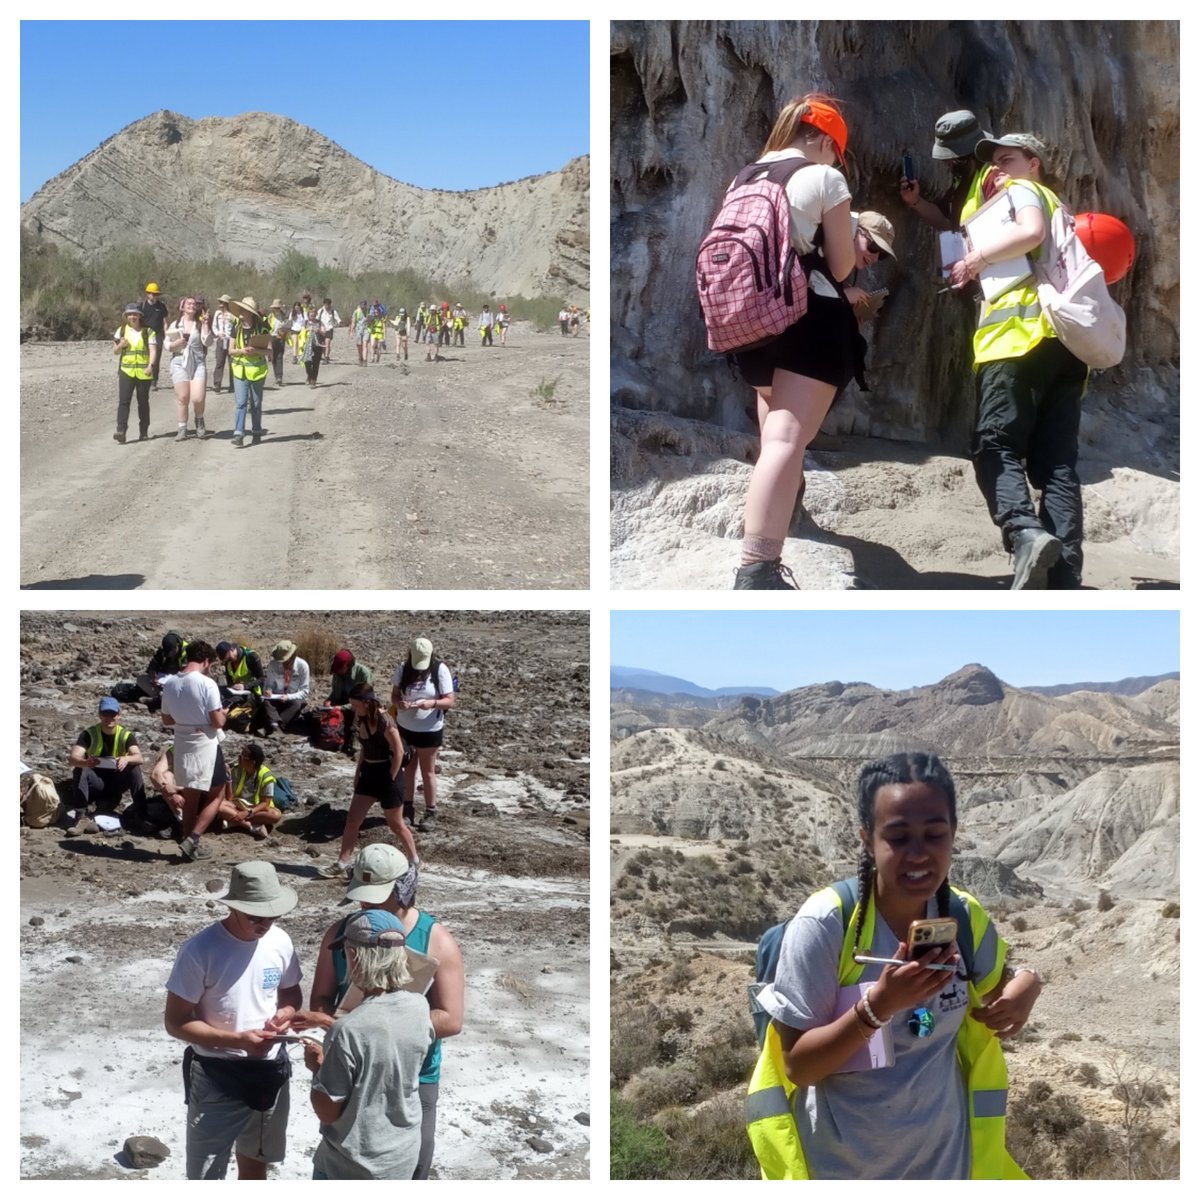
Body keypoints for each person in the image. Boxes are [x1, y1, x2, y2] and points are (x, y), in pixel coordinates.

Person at [748, 752, 1041, 1179]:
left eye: (935, 834)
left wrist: (1028, 985)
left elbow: (1002, 984)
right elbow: (799, 1066)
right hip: (843, 1172)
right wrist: (878, 1006)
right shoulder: (827, 925)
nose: (918, 854)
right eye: (898, 837)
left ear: (954, 834)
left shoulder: (962, 916)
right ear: (867, 839)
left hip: (947, 1169)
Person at [726, 94, 861, 590]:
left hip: (750, 327)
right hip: (807, 320)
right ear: (826, 141)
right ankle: (756, 569)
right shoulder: (823, 177)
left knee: (773, 443)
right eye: (836, 153)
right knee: (786, 443)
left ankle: (764, 553)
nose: (834, 162)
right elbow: (844, 267)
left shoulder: (743, 177)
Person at [948, 133, 1088, 589]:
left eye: (1008, 160)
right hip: (1065, 347)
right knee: (1057, 465)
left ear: (1034, 163)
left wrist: (974, 260)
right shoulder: (1059, 207)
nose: (1000, 170)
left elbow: (1030, 233)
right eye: (995, 164)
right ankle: (1064, 577)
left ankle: (1024, 532)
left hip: (1015, 340)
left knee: (994, 444)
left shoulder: (1023, 192)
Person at [298, 850, 462, 1179]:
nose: (365, 907)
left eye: (375, 899)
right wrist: (337, 1031)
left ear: (402, 890)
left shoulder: (438, 941)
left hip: (414, 1075)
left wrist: (361, 1029)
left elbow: (451, 1018)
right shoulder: (340, 934)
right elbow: (323, 996)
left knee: (412, 1163)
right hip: (350, 1067)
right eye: (362, 897)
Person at [164, 861, 302, 1180]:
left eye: (272, 915)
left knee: (256, 1164)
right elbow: (176, 1022)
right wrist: (237, 1041)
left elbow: (291, 993)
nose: (265, 923)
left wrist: (287, 1013)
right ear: (234, 907)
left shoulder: (280, 941)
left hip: (270, 1070)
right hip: (217, 1074)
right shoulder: (200, 950)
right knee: (205, 1175)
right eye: (255, 916)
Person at [300, 909, 434, 1179]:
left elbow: (327, 1110)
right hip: (400, 1157)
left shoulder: (347, 1031)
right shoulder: (420, 1007)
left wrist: (318, 1068)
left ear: (355, 956)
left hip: (351, 1165)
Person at [318, 684, 419, 877]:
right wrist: (357, 774)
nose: (355, 710)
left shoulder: (385, 720)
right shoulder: (362, 718)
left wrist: (390, 778)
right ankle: (342, 862)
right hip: (369, 773)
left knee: (396, 824)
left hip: (388, 773)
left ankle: (414, 860)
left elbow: (398, 751)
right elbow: (364, 749)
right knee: (353, 819)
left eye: (356, 706)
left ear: (367, 702)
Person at [159, 638, 227, 861]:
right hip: (205, 742)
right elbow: (217, 722)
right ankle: (194, 838)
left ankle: (188, 844)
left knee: (191, 795)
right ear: (207, 661)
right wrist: (224, 714)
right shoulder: (207, 684)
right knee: (218, 794)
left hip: (182, 741)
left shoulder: (169, 683)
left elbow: (167, 719)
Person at [390, 638, 454, 831]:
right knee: (408, 769)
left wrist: (432, 703)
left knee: (428, 771)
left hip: (430, 729)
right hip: (406, 727)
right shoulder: (403, 669)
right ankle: (407, 808)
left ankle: (430, 811)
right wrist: (399, 704)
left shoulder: (439, 670)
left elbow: (449, 700)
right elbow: (394, 695)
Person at [900, 110, 995, 233]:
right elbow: (947, 222)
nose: (945, 163)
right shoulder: (961, 180)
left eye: (949, 159)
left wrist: (979, 253)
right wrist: (915, 201)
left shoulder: (992, 177)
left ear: (962, 157)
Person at [65, 696, 146, 835]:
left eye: (112, 714)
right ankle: (81, 816)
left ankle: (142, 814)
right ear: (99, 714)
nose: (109, 718)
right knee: (80, 769)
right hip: (96, 782)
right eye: (105, 714)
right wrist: (85, 762)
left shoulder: (126, 735)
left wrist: (127, 758)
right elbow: (73, 758)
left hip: (116, 782)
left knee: (134, 768)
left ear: (119, 715)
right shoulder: (89, 734)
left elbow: (139, 757)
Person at [165, 296, 216, 441]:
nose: (192, 306)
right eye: (189, 303)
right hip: (179, 361)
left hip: (198, 361)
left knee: (198, 397)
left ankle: (199, 419)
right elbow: (167, 344)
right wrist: (174, 345)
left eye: (194, 304)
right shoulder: (175, 324)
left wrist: (206, 324)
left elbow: (208, 342)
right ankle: (182, 428)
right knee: (182, 397)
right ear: (182, 307)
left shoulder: (200, 324)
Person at [215, 743, 282, 841]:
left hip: (257, 809)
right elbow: (230, 798)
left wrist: (247, 813)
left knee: (275, 815)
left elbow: (265, 803)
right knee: (218, 805)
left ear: (252, 762)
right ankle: (249, 825)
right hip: (238, 805)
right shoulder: (237, 770)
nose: (239, 758)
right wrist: (228, 779)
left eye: (242, 756)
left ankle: (233, 820)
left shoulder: (266, 776)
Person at [227, 296, 270, 448]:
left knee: (256, 403)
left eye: (244, 310)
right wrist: (242, 351)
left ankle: (257, 431)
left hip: (257, 371)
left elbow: (269, 351)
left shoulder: (262, 328)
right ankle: (238, 433)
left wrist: (256, 350)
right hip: (240, 371)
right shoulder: (236, 328)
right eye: (240, 310)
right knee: (240, 403)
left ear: (250, 313)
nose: (241, 313)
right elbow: (230, 351)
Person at [842, 212, 897, 324]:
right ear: (856, 231)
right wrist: (843, 296)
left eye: (882, 254)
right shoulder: (824, 250)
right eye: (874, 247)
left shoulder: (846, 269)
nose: (875, 258)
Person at [112, 303, 156, 444]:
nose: (132, 317)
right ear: (126, 316)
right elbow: (115, 351)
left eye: (135, 314)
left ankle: (143, 432)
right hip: (126, 371)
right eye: (130, 314)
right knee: (124, 402)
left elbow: (153, 350)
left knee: (143, 403)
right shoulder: (122, 330)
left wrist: (151, 366)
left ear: (140, 316)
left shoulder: (148, 332)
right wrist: (120, 345)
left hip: (143, 372)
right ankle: (121, 431)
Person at [326, 648, 372, 757]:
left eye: (340, 668)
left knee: (357, 712)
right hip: (342, 702)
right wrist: (329, 700)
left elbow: (364, 700)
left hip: (360, 704)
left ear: (347, 665)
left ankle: (354, 744)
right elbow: (335, 692)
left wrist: (342, 707)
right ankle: (334, 738)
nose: (337, 672)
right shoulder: (337, 674)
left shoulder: (363, 673)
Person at [261, 639, 310, 734]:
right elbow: (269, 685)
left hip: (293, 698)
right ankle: (276, 727)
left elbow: (305, 691)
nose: (283, 664)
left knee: (297, 704)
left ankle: (276, 726)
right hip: (277, 698)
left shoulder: (303, 666)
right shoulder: (273, 665)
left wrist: (289, 697)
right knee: (267, 702)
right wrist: (268, 691)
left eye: (286, 661)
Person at [136, 630, 189, 709]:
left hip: (180, 682)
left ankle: (160, 699)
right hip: (163, 682)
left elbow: (188, 672)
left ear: (177, 645)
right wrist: (153, 677)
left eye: (172, 652)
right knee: (141, 679)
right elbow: (153, 666)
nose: (170, 655)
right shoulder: (163, 651)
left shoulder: (187, 650)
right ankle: (163, 698)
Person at [139, 281, 169, 388]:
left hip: (157, 335)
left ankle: (154, 380)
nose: (153, 295)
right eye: (151, 293)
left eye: (156, 294)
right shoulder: (141, 306)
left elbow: (165, 322)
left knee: (156, 359)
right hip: (144, 335)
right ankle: (144, 377)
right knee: (144, 356)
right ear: (147, 293)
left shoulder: (161, 307)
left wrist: (166, 335)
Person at [211, 295, 237, 394]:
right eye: (220, 302)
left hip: (231, 340)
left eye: (222, 303)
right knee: (219, 363)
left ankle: (233, 385)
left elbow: (236, 325)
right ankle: (217, 385)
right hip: (221, 340)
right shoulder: (218, 314)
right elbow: (214, 326)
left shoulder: (233, 315)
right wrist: (218, 333)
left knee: (232, 363)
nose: (220, 304)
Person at [302, 304, 327, 387]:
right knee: (307, 363)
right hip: (307, 346)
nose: (312, 317)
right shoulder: (305, 323)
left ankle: (313, 380)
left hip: (317, 345)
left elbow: (324, 333)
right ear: (308, 315)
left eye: (314, 315)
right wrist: (307, 330)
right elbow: (301, 333)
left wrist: (319, 330)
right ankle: (309, 375)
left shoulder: (320, 323)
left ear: (316, 314)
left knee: (316, 363)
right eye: (310, 315)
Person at [268, 299, 289, 387]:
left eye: (278, 308)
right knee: (273, 357)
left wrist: (284, 331)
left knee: (280, 356)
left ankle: (279, 377)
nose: (276, 309)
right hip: (272, 337)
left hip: (281, 337)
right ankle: (276, 375)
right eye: (275, 308)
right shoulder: (270, 317)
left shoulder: (284, 317)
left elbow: (287, 326)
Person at [319, 298, 340, 362]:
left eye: (328, 305)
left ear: (330, 304)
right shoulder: (320, 311)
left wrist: (339, 322)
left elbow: (338, 319)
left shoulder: (333, 311)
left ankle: (326, 357)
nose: (327, 306)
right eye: (326, 304)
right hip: (321, 330)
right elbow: (316, 318)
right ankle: (324, 355)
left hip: (329, 329)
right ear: (324, 304)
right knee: (322, 344)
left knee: (327, 343)